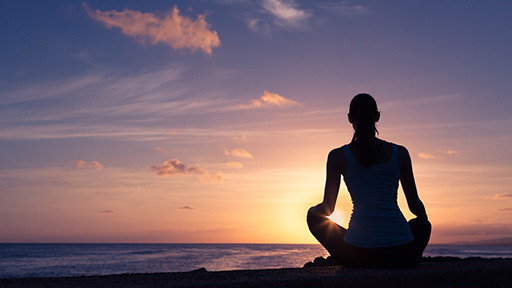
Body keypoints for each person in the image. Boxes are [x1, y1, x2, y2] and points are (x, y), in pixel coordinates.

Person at [307, 93, 431, 268]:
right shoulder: (400, 153)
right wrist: (422, 223)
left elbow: (327, 209)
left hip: (357, 256)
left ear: (350, 119)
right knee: (422, 224)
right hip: (404, 256)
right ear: (377, 116)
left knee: (314, 218)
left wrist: (311, 211)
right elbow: (415, 207)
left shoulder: (337, 156)